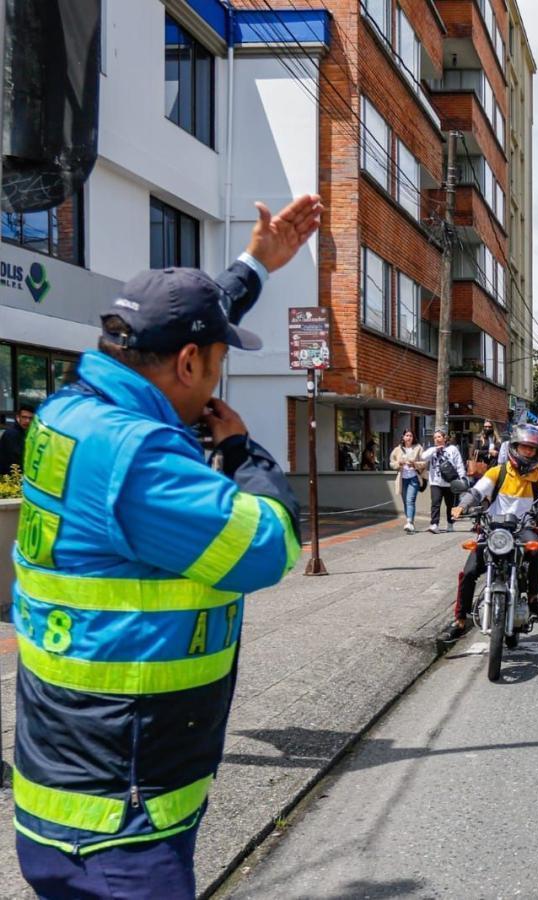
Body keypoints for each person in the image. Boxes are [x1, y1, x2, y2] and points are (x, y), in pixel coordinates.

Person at [11, 194, 321, 899]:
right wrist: (243, 450)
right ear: (187, 362)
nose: (215, 379)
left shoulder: (72, 409)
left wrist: (257, 266)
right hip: (124, 822)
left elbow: (186, 328)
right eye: (213, 364)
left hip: (68, 792)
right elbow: (267, 547)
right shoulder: (138, 459)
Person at [439, 426, 538, 643]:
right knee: (468, 572)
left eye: (532, 449)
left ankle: (533, 598)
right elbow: (477, 491)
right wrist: (462, 506)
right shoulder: (498, 472)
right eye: (524, 447)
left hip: (523, 529)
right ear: (515, 447)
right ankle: (459, 621)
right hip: (493, 529)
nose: (528, 453)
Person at [421, 429, 466, 533]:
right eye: (435, 438)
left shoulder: (452, 449)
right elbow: (423, 457)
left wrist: (462, 477)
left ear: (445, 438)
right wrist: (435, 450)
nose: (437, 439)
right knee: (435, 503)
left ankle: (450, 524)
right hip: (435, 482)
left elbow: (459, 464)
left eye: (439, 437)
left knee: (450, 504)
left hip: (450, 482)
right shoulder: (432, 450)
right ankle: (434, 524)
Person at [389, 429, 426, 533]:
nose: (408, 438)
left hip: (414, 478)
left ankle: (409, 522)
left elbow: (425, 463)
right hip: (402, 479)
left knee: (410, 500)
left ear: (413, 437)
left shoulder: (418, 448)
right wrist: (399, 463)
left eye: (410, 436)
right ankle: (410, 522)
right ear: (403, 437)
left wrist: (414, 464)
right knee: (406, 501)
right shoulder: (397, 449)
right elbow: (392, 463)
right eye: (407, 435)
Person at [0, 402, 35, 474]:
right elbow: (13, 461)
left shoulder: (29, 433)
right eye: (24, 417)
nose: (27, 421)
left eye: (30, 418)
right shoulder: (11, 434)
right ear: (18, 417)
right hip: (12, 479)